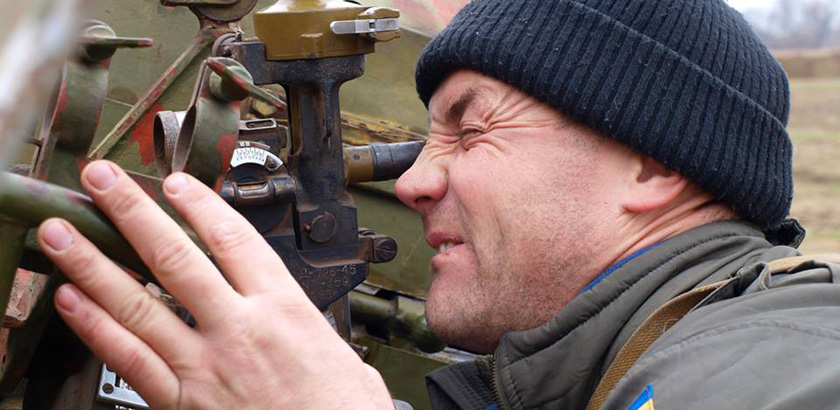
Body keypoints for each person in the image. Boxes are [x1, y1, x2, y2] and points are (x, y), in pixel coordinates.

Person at [34, 0, 840, 409]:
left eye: (472, 129)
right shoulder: (569, 371)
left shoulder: (776, 358)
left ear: (651, 166)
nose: (414, 181)